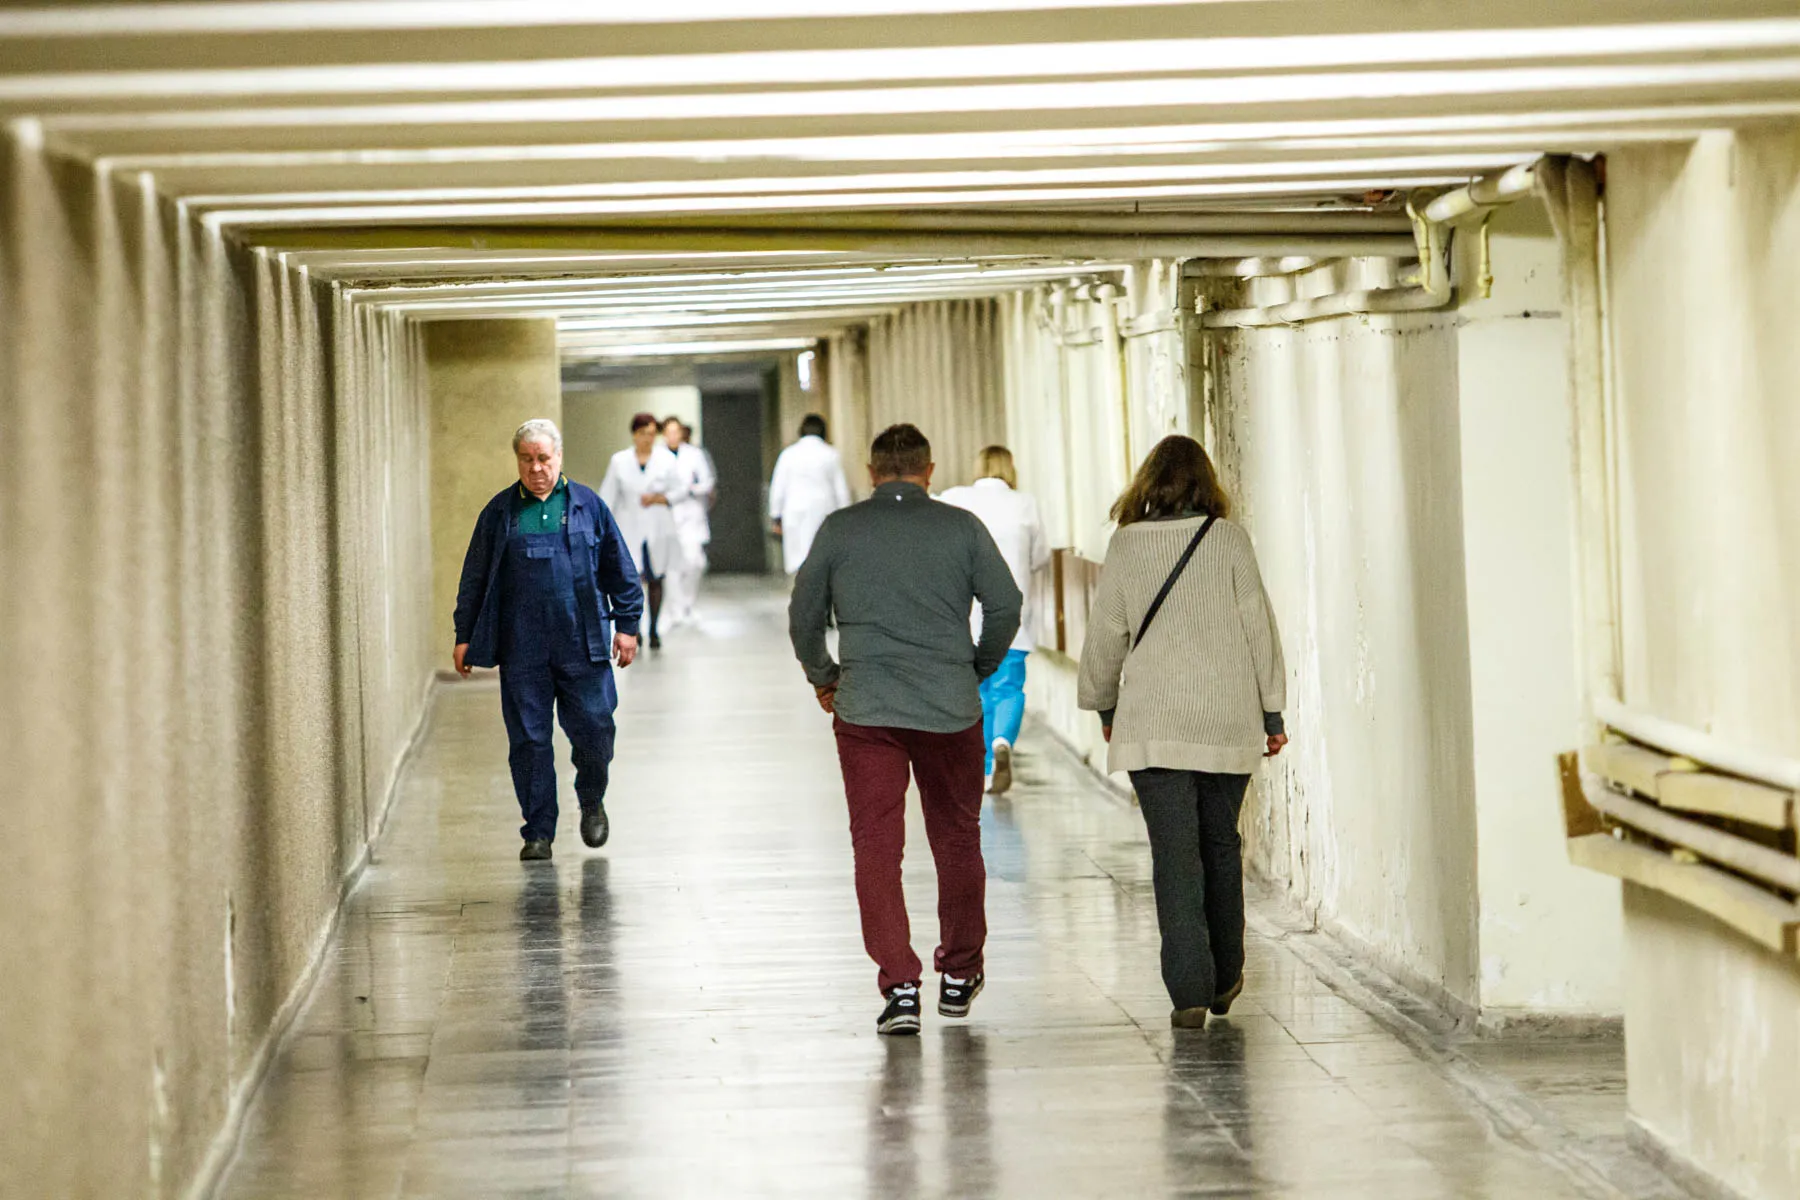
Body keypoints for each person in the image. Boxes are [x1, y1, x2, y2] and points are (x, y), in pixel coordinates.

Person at [789, 423, 1022, 1036]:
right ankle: (958, 972)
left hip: (867, 712)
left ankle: (899, 988)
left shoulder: (840, 530)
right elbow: (1006, 605)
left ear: (871, 472)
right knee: (956, 840)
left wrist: (825, 675)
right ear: (929, 470)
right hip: (950, 709)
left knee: (876, 848)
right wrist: (978, 665)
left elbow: (803, 614)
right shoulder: (961, 528)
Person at [1076, 435, 1288, 1030]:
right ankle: (1226, 975)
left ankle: (1189, 992)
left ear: (1147, 484)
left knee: (1175, 854)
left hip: (1153, 726)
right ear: (1206, 483)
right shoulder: (1228, 540)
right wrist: (1273, 713)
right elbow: (1260, 631)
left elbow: (1105, 637)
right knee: (1220, 844)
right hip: (1227, 723)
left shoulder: (1124, 546)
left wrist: (1101, 704)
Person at [453, 418, 644, 862]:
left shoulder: (587, 507)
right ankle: (537, 831)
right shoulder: (500, 513)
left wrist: (628, 626)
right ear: (517, 460)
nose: (537, 467)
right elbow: (475, 578)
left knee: (596, 729)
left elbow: (621, 568)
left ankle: (591, 798)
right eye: (527, 459)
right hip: (523, 649)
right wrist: (465, 634)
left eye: (544, 458)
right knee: (529, 741)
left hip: (583, 643)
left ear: (559, 457)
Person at [939, 445, 1050, 795]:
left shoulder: (955, 498)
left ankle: (986, 767)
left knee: (978, 691)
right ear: (1009, 468)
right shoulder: (1024, 503)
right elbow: (1040, 557)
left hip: (965, 616)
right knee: (1009, 688)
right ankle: (1003, 740)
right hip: (1011, 617)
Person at [599, 412, 686, 650]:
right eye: (642, 434)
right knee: (632, 581)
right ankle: (633, 629)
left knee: (656, 577)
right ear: (634, 434)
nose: (647, 439)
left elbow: (680, 490)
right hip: (629, 528)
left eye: (651, 434)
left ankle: (654, 629)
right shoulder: (619, 461)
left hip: (658, 527)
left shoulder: (667, 459)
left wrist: (660, 498)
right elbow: (607, 496)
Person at [769, 412, 851, 575]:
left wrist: (775, 515)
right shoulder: (831, 454)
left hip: (794, 510)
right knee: (822, 556)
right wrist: (846, 515)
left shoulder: (788, 455)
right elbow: (841, 489)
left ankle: (800, 591)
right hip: (824, 509)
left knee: (798, 557)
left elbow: (778, 488)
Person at [661, 416, 716, 628]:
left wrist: (691, 489)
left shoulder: (695, 455)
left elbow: (707, 482)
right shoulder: (658, 456)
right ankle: (675, 609)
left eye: (677, 432)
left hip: (692, 513)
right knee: (671, 566)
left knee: (695, 562)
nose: (673, 436)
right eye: (669, 432)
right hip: (668, 515)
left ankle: (688, 604)